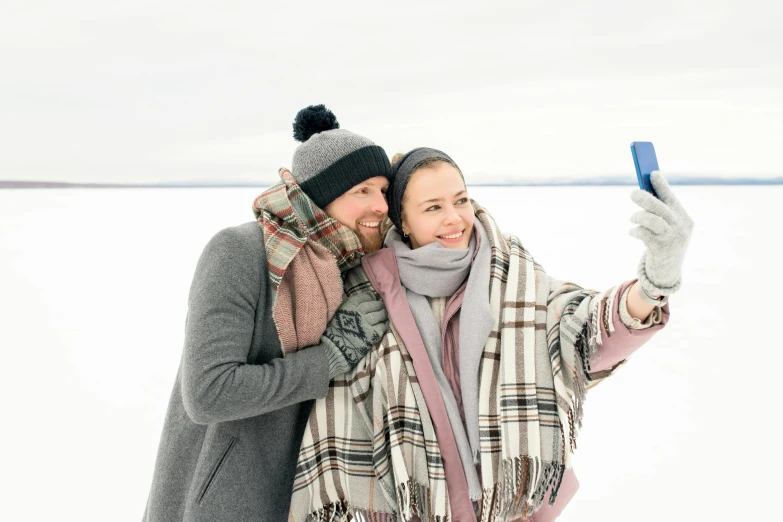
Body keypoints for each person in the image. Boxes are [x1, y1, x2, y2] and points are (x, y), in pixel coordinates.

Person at [290, 148, 692, 522]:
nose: (454, 217)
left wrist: (654, 282)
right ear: (404, 222)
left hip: (512, 512)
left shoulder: (514, 277)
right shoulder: (366, 294)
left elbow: (586, 331)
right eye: (433, 207)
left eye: (460, 200)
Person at [143, 105, 393, 522]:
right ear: (322, 193)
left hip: (305, 494)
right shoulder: (240, 253)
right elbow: (208, 393)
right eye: (362, 190)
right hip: (221, 498)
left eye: (384, 190)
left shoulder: (350, 264)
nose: (380, 205)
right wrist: (328, 359)